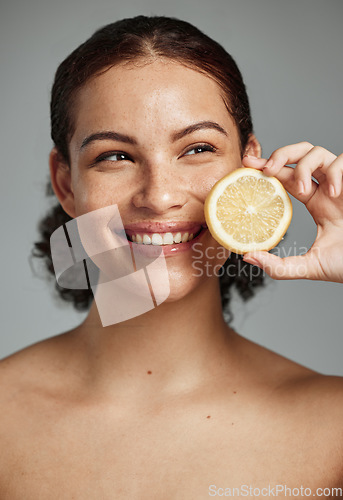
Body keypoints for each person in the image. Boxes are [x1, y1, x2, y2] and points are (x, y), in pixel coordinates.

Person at [1, 14, 342, 498]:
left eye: (198, 148)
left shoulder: (334, 431)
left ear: (249, 166)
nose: (159, 197)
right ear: (65, 184)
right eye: (115, 156)